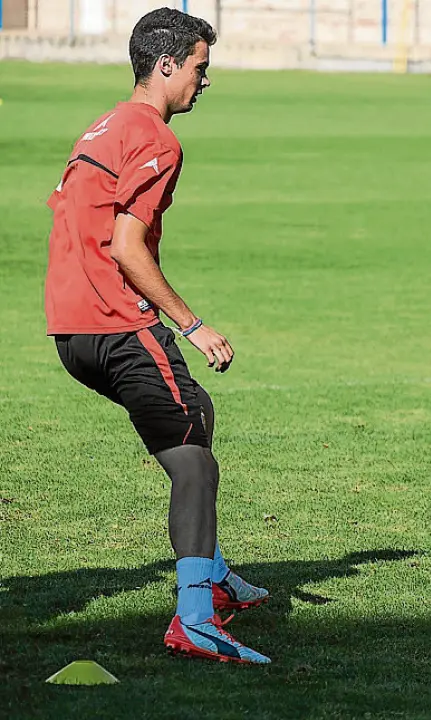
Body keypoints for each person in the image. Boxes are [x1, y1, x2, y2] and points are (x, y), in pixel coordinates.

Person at [44, 8, 269, 663]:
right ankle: (196, 616)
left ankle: (214, 573)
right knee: (194, 460)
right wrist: (192, 325)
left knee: (194, 413)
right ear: (166, 65)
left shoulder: (105, 124)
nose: (206, 80)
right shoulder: (156, 138)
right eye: (200, 67)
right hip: (115, 322)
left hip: (69, 328)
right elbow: (126, 246)